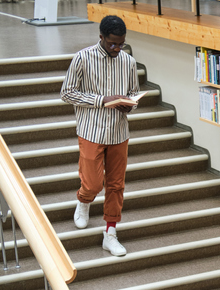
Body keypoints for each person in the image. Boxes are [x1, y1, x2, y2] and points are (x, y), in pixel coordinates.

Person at [61, 15, 140, 256]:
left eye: (121, 44)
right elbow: (67, 93)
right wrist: (100, 100)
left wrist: (131, 104)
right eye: (112, 44)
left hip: (118, 131)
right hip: (91, 130)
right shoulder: (83, 58)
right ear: (101, 38)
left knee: (116, 185)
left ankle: (110, 233)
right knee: (94, 183)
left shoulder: (128, 61)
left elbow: (134, 92)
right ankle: (84, 201)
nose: (117, 49)